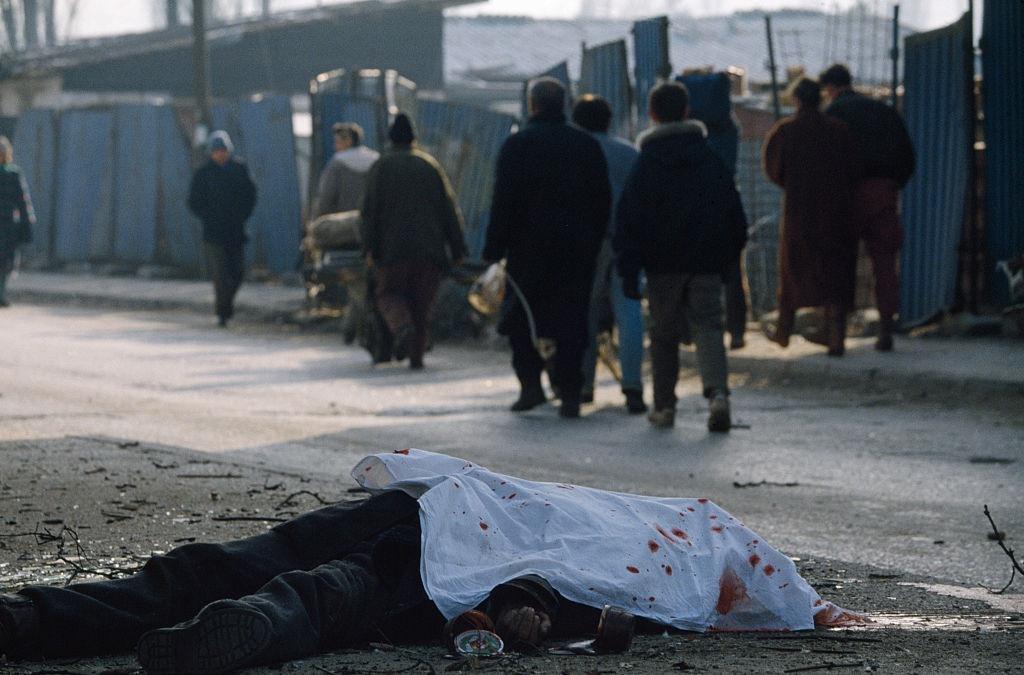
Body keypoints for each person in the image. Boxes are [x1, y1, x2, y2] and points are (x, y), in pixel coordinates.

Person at [0, 449, 861, 673]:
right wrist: (529, 610)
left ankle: (33, 618)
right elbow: (567, 574)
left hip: (431, 502)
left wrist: (528, 605)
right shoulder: (677, 556)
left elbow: (561, 561)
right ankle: (252, 628)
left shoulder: (651, 520)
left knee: (219, 562)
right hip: (449, 549)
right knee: (346, 589)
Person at [614, 81, 747, 433]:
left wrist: (629, 269)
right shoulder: (709, 157)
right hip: (705, 262)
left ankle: (665, 405)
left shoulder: (647, 163)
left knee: (663, 334)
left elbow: (629, 220)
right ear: (687, 112)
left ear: (652, 114)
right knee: (709, 326)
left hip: (662, 266)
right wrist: (729, 258)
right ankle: (718, 395)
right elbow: (732, 211)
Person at [484, 77, 612, 418]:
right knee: (571, 318)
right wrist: (592, 241)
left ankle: (531, 387)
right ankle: (570, 392)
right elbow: (602, 201)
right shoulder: (585, 145)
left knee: (522, 317)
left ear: (532, 105)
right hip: (576, 251)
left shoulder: (517, 146)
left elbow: (503, 201)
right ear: (564, 104)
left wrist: (493, 248)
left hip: (527, 250)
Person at [359, 113, 468, 370]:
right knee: (422, 304)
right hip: (429, 250)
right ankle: (416, 358)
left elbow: (369, 212)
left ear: (390, 138)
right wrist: (458, 248)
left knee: (388, 293)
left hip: (391, 250)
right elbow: (449, 209)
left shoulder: (381, 167)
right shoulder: (429, 165)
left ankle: (401, 326)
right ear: (414, 138)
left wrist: (368, 247)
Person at [820, 63, 916, 352]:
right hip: (882, 193)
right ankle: (886, 330)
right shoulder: (883, 111)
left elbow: (822, 161)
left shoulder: (832, 115)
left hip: (844, 198)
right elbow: (907, 156)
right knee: (885, 265)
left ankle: (837, 336)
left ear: (831, 88)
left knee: (839, 265)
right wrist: (891, 184)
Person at [762, 78, 858, 357]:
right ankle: (837, 335)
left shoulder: (785, 132)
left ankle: (784, 329)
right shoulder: (839, 131)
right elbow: (854, 167)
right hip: (836, 212)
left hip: (799, 211)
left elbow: (773, 169)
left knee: (793, 268)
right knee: (836, 272)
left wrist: (793, 184)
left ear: (797, 101)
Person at [571, 95, 646, 414]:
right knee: (629, 311)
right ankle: (632, 386)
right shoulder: (629, 153)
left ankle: (584, 385)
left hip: (586, 242)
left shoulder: (573, 152)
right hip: (626, 240)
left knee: (584, 312)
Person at [187, 131, 257, 328]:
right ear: (211, 153)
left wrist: (241, 215)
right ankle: (222, 313)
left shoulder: (239, 169)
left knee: (237, 273)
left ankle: (226, 305)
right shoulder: (203, 173)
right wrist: (208, 216)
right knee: (220, 274)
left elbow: (250, 195)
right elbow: (193, 201)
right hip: (213, 233)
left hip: (236, 231)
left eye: (223, 150)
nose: (220, 154)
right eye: (217, 151)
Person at [311, 122, 380, 219]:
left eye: (337, 142)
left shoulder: (337, 165)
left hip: (342, 225)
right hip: (371, 223)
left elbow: (326, 199)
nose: (334, 146)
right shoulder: (376, 162)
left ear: (348, 141)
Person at [0, 136, 34, 308]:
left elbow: (23, 202)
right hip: (7, 225)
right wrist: (27, 224)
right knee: (5, 262)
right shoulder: (13, 173)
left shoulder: (13, 173)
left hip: (7, 225)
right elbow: (24, 202)